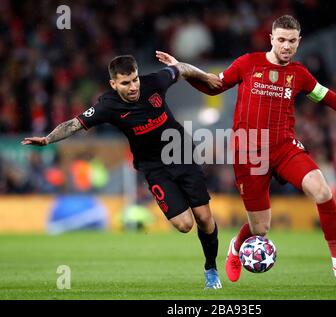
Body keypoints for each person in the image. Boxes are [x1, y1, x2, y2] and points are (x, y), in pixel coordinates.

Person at [156, 15, 336, 283]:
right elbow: (214, 86)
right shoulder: (248, 63)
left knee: (322, 191)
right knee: (260, 229)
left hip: (285, 147)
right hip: (251, 152)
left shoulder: (300, 75)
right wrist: (183, 70)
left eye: (292, 41)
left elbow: (333, 99)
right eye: (282, 40)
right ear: (271, 39)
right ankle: (235, 248)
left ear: (299, 43)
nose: (286, 46)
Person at [21, 55, 223, 290]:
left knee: (204, 219)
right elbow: (74, 124)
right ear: (113, 84)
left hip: (181, 153)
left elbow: (181, 69)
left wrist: (204, 76)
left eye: (135, 80)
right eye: (125, 83)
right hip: (153, 167)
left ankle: (211, 268)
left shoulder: (155, 82)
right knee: (184, 224)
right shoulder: (107, 106)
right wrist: (47, 140)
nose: (133, 87)